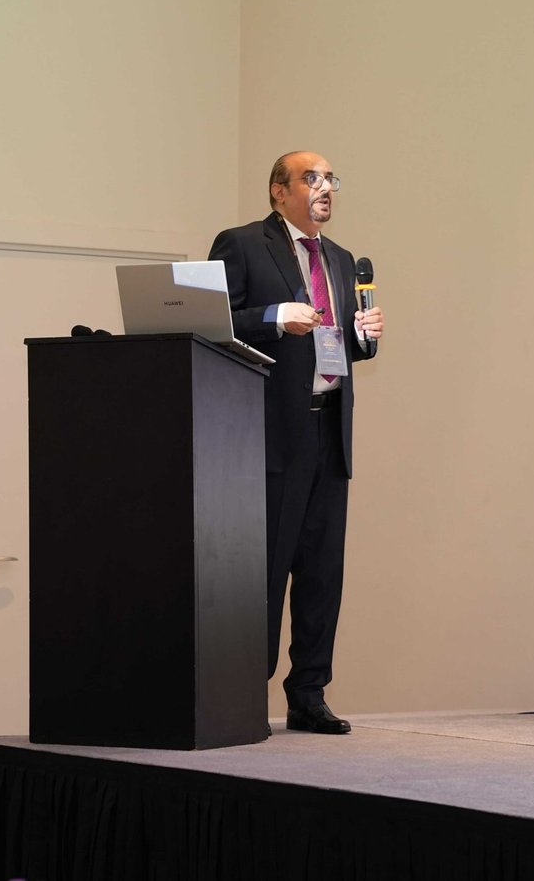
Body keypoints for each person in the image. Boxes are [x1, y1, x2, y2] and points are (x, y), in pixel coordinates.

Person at [208, 152, 383, 735]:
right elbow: (211, 323)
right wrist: (273, 316)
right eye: (311, 178)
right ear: (279, 191)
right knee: (265, 571)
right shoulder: (242, 244)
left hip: (329, 429)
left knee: (321, 572)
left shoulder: (340, 259)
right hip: (273, 433)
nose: (324, 187)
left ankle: (308, 693)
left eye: (331, 179)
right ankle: (240, 693)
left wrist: (362, 337)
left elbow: (335, 343)